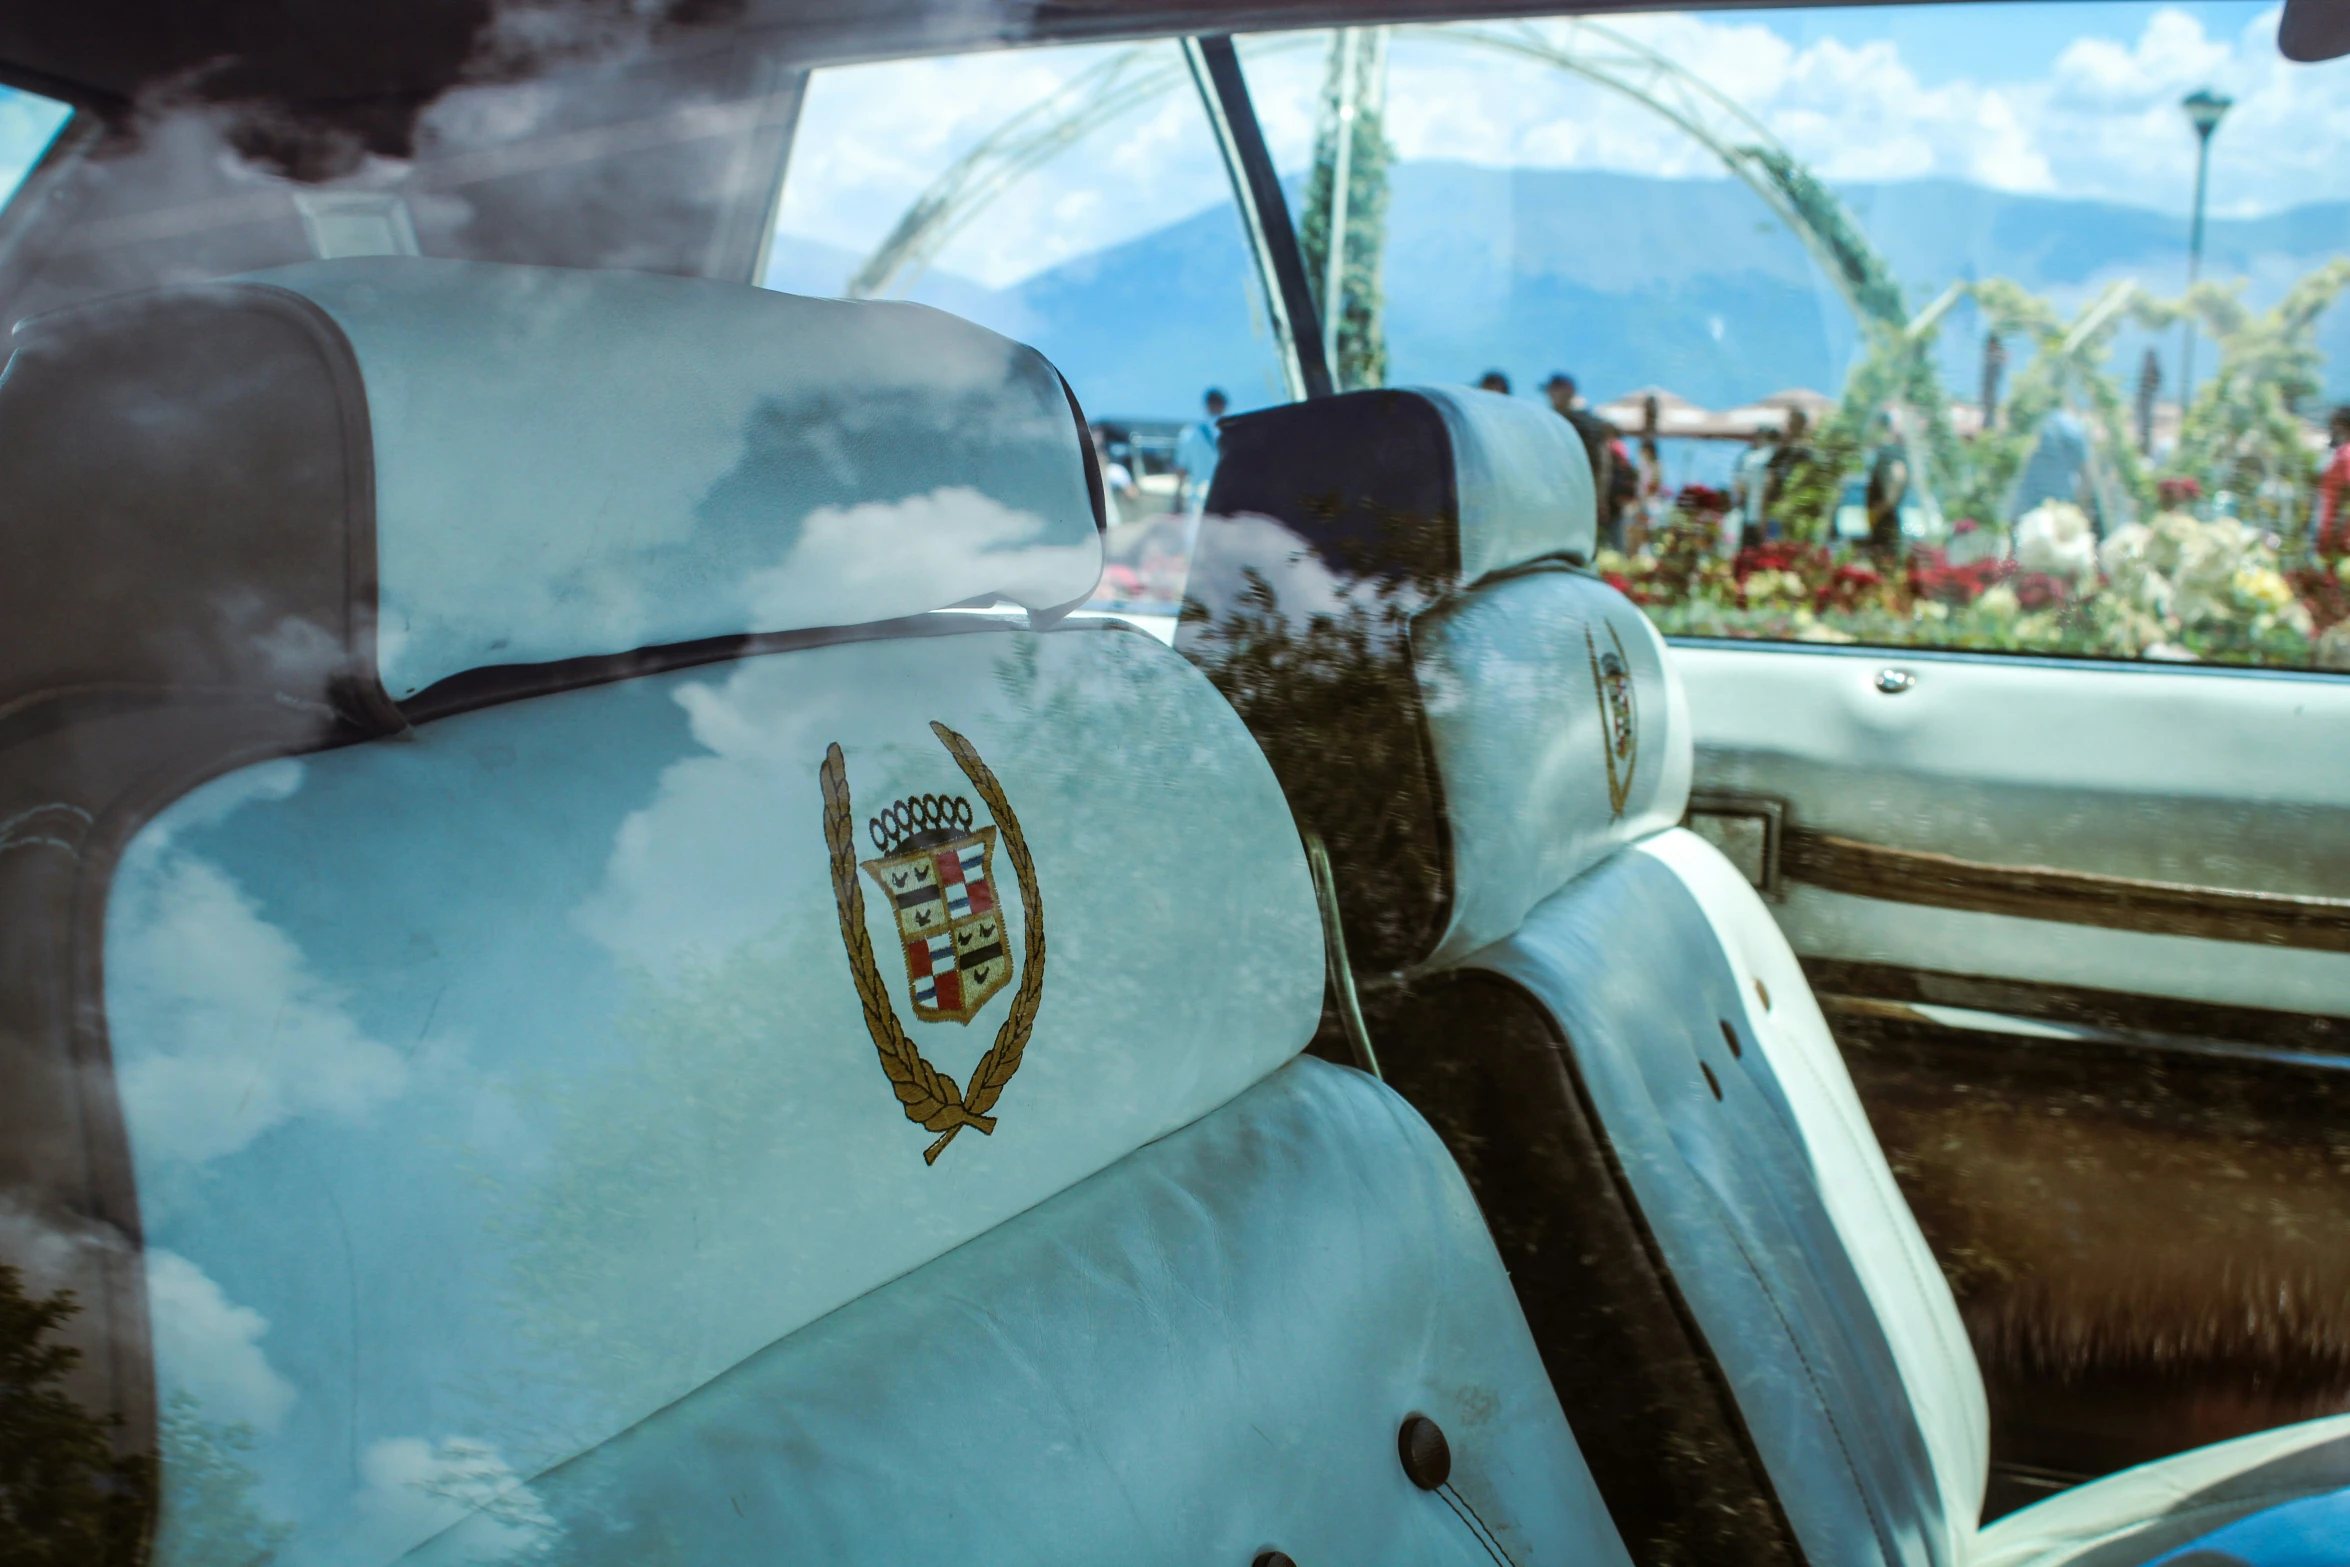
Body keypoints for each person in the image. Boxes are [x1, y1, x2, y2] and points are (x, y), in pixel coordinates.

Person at [1542, 372, 1627, 546]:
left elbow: (1599, 464)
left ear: (1568, 392)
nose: (1550, 395)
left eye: (1554, 390)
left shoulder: (1581, 424)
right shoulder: (1562, 421)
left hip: (1576, 499)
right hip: (1570, 499)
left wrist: (1599, 498)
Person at [1172, 388, 1227, 518]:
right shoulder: (1233, 432)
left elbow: (1181, 471)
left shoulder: (1190, 434)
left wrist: (1177, 500)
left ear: (1206, 406)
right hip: (1227, 501)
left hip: (1200, 502)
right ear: (1224, 406)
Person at [1864, 411, 1910, 566]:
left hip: (1884, 517)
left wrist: (1884, 505)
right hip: (1884, 516)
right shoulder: (1891, 450)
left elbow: (1899, 476)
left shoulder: (1889, 451)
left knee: (1883, 561)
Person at [2317, 405, 2350, 559]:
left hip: (2338, 544)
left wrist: (2331, 545)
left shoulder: (2345, 455)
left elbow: (2343, 499)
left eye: (2334, 425)